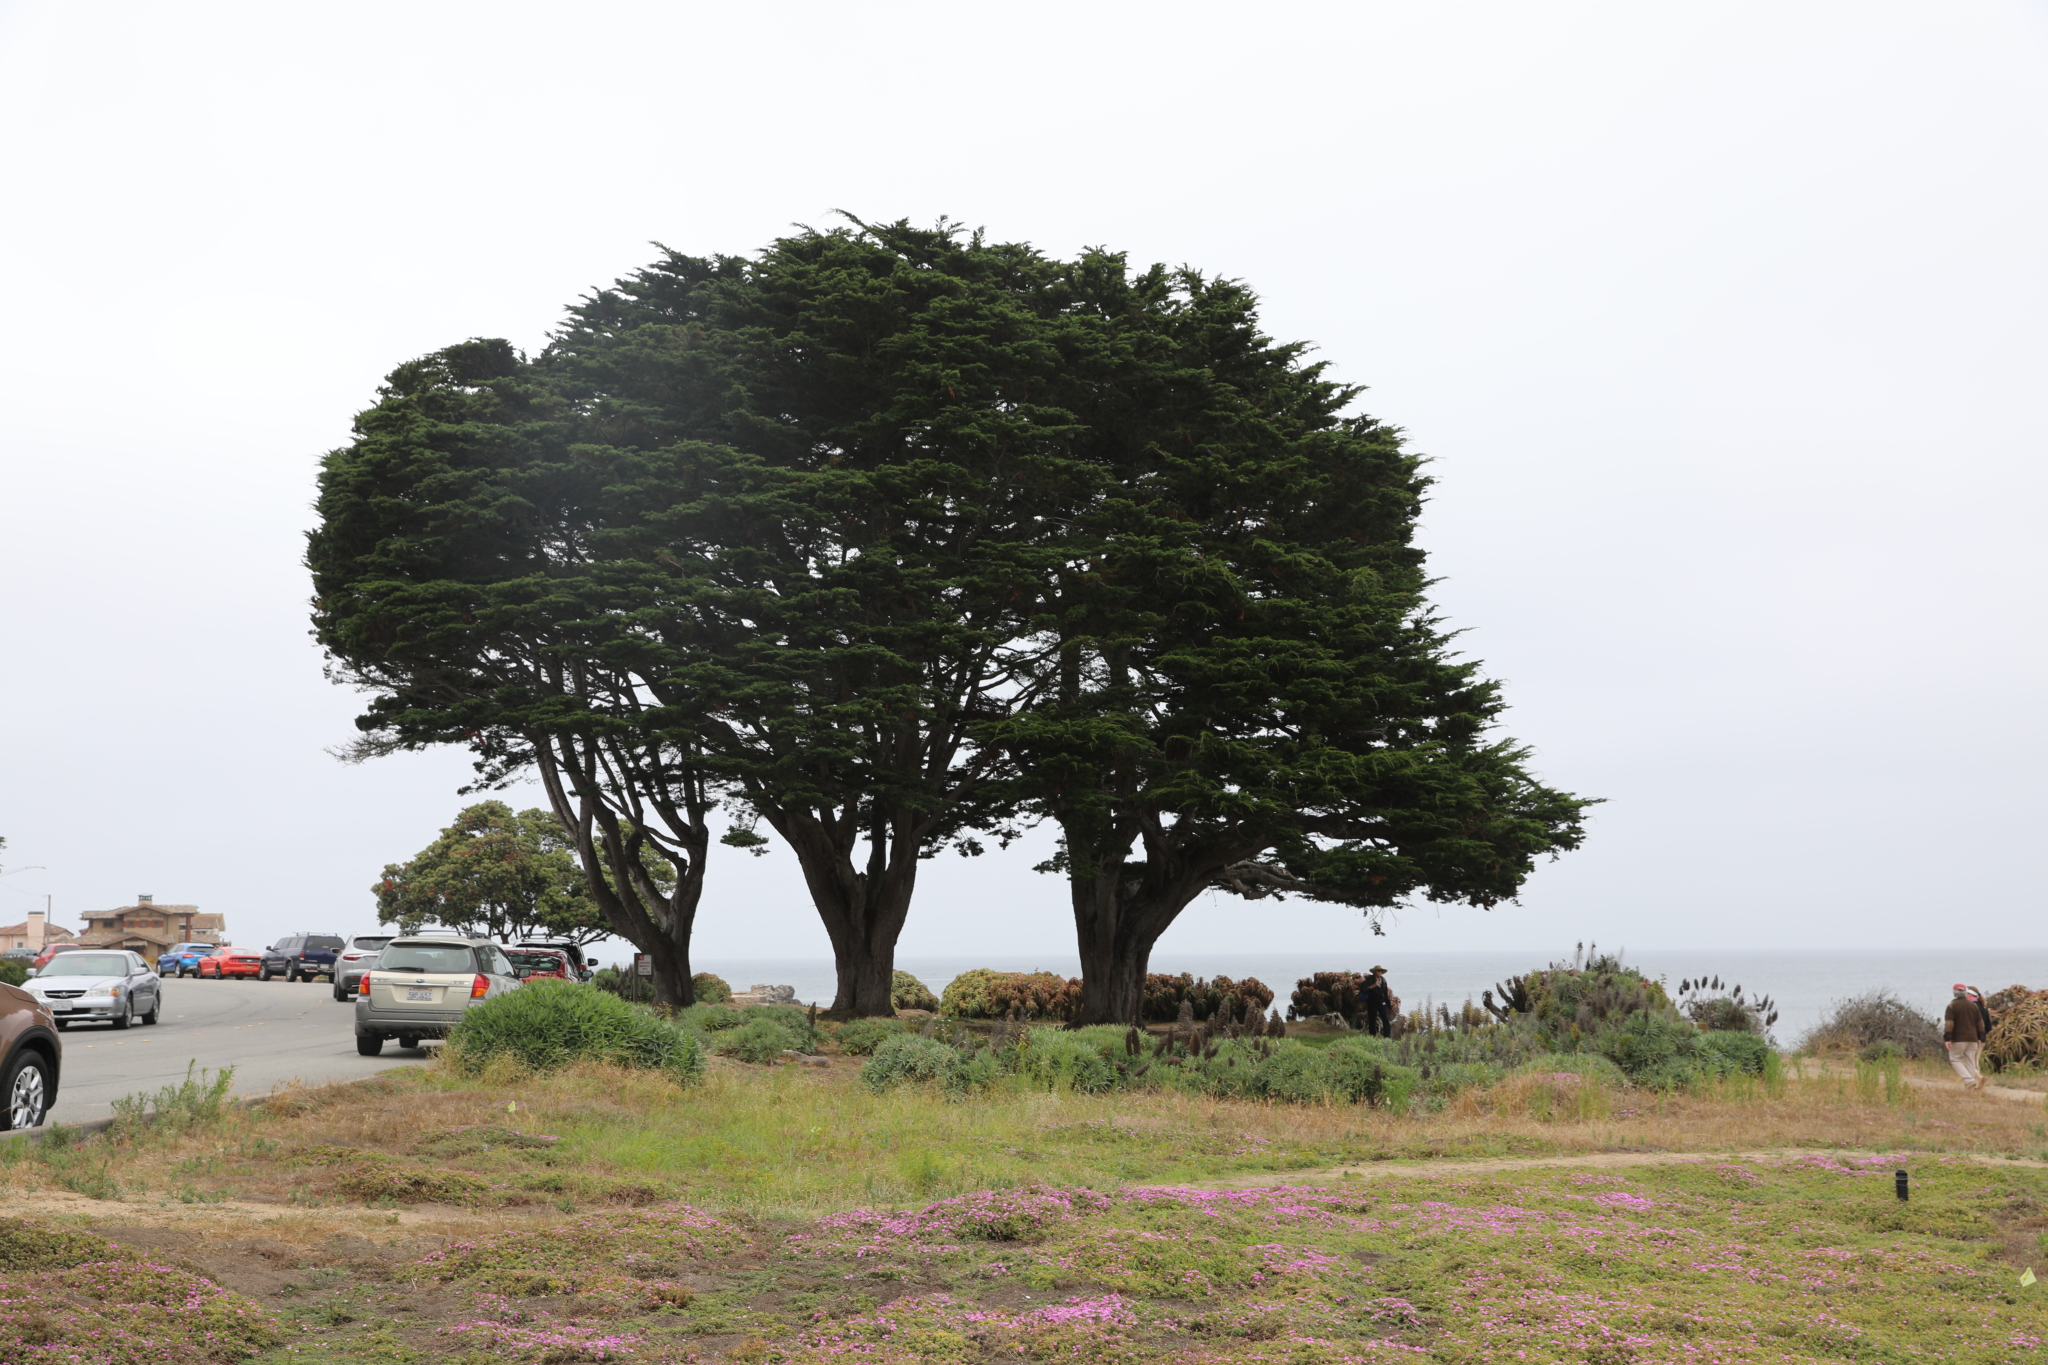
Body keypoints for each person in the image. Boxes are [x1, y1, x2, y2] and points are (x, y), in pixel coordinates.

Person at [1942, 982, 1989, 1090]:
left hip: (1959, 1039)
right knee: (1970, 1062)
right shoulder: (1973, 1006)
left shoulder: (1952, 1006)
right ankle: (1972, 1087)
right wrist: (1978, 1037)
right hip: (1973, 1039)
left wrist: (1947, 1038)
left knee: (1955, 1059)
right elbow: (1980, 1024)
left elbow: (1950, 1023)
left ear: (1954, 993)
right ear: (1964, 993)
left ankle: (1969, 1081)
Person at [1362, 966, 1394, 1038]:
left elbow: (1385, 992)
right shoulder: (1369, 979)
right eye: (1378, 971)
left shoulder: (1383, 980)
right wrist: (1372, 986)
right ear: (1374, 972)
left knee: (1385, 1019)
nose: (1380, 972)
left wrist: (1388, 1002)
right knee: (1372, 1019)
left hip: (1382, 1002)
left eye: (1381, 971)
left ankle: (1387, 1036)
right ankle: (1372, 1035)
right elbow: (1363, 990)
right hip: (1372, 1002)